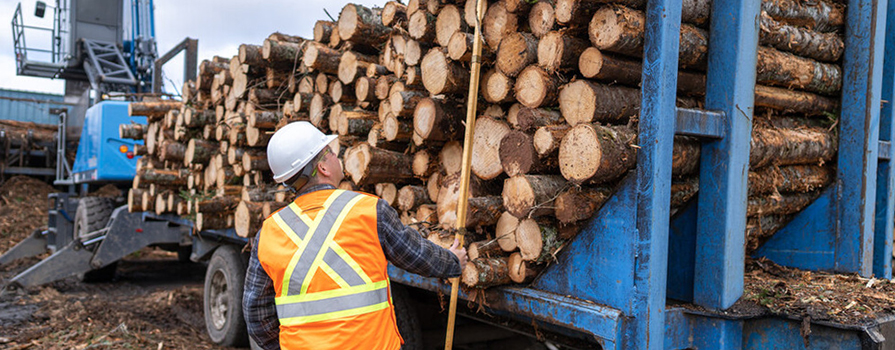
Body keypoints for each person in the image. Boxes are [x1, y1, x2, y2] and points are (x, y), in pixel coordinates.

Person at [243, 121, 467, 350]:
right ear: (323, 168)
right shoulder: (368, 210)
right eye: (329, 153)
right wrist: (452, 261)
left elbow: (256, 312)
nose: (335, 156)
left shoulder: (268, 232)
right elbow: (415, 255)